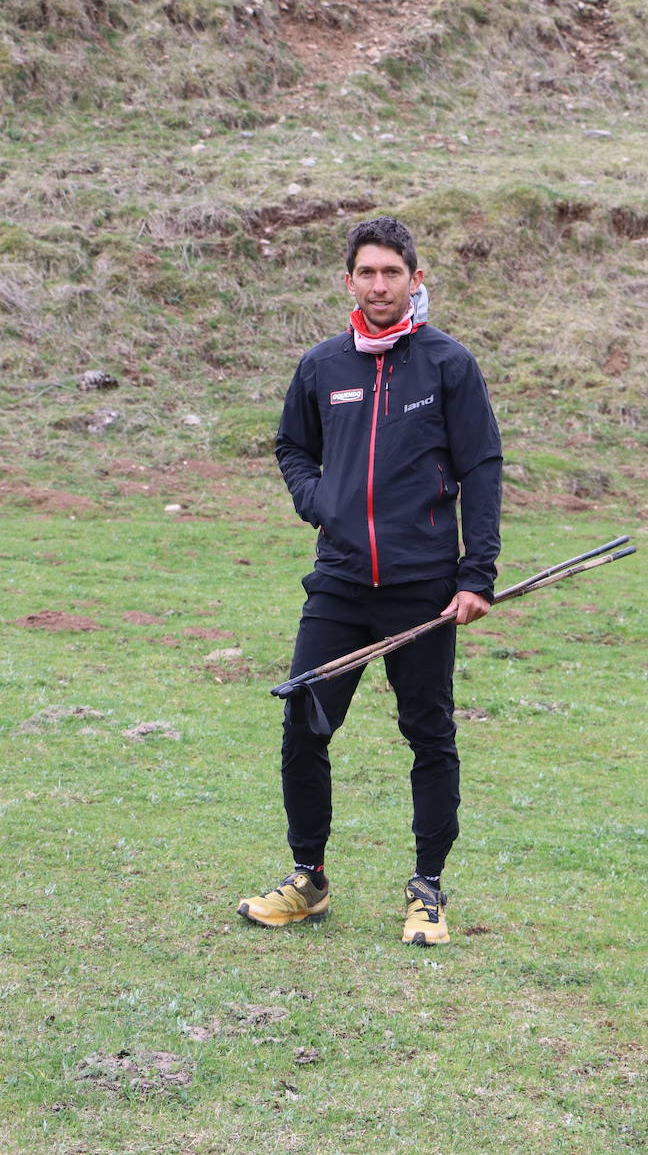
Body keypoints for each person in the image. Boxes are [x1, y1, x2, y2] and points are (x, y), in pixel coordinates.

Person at [237, 215, 502, 945]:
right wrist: (320, 501)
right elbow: (293, 444)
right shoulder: (324, 366)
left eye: (392, 272)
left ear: (415, 280)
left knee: (429, 734)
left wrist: (477, 574)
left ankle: (427, 888)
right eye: (366, 272)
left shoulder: (448, 364)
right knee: (303, 720)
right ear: (349, 280)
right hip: (341, 582)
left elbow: (481, 467)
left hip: (424, 586)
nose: (379, 284)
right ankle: (308, 879)